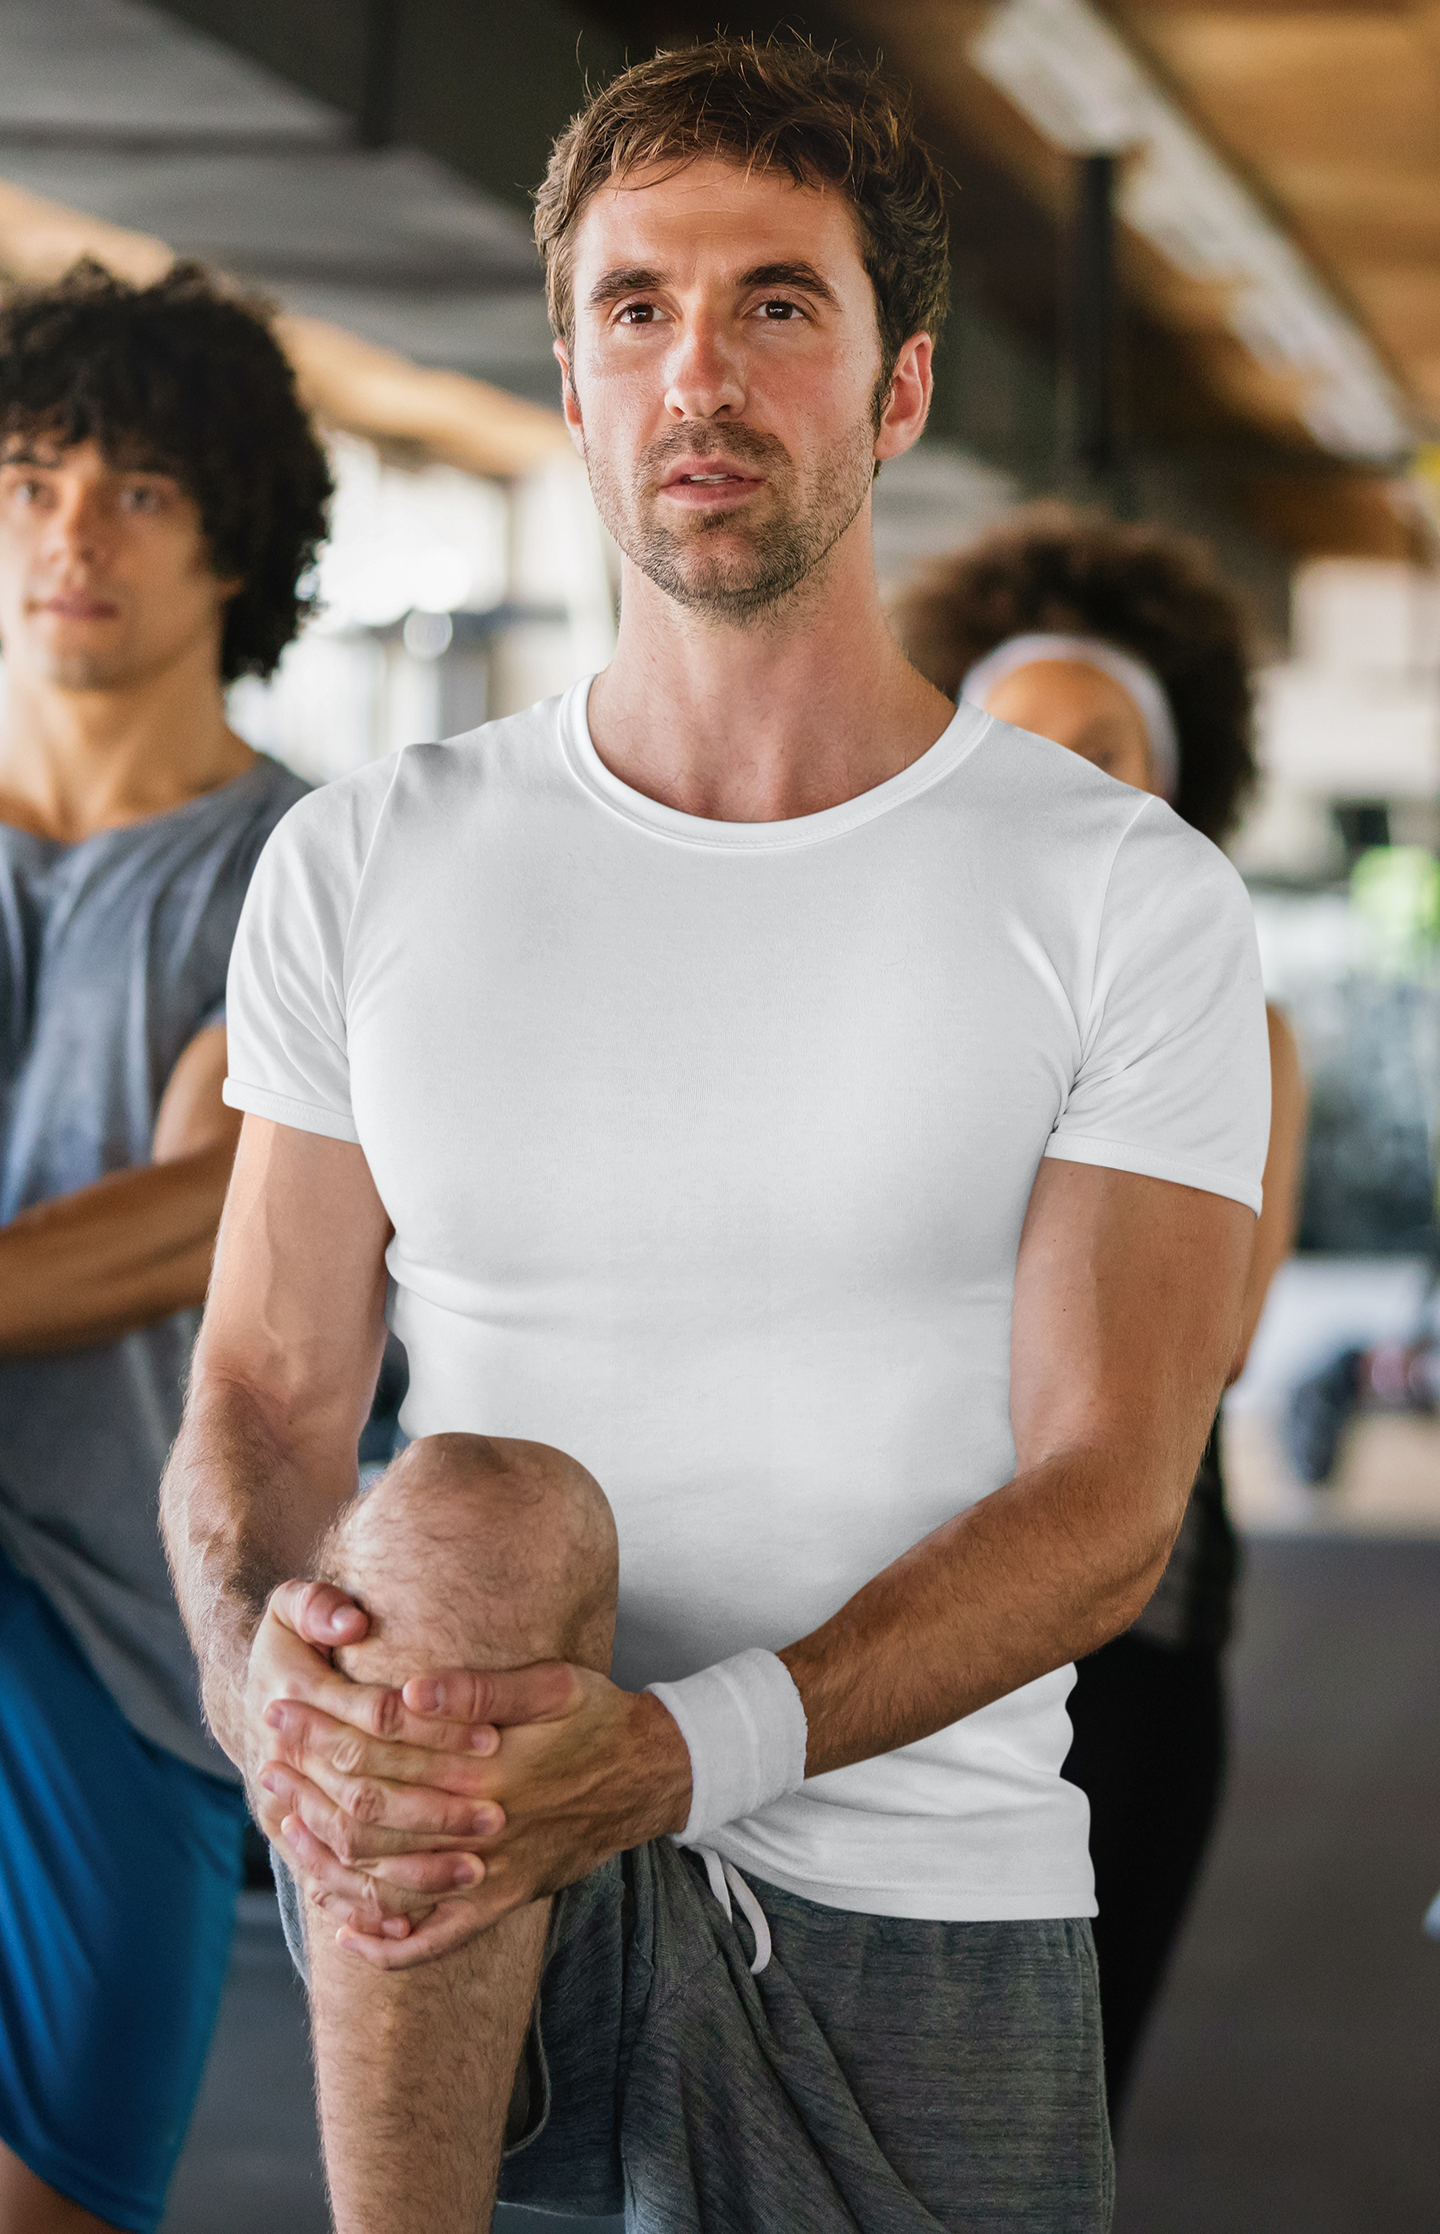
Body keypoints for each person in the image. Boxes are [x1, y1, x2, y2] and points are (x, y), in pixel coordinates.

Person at [162, 40, 1270, 2234]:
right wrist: (251, 1682)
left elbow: (1110, 1500)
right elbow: (271, 1399)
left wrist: (680, 1755)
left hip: (926, 1892)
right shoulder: (373, 860)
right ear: (571, 386)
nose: (702, 372)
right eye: (638, 309)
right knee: (463, 1507)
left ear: (899, 389)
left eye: (779, 303)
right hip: (486, 1892)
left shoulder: (1119, 889)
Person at [891, 504, 1308, 2129]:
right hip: (879, 1615)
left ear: (1173, 783)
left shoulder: (1241, 1029)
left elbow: (1210, 1347)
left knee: (1050, 2120)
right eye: (1025, 740)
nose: (1067, 780)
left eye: (1106, 746)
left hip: (1129, 1644)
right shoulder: (884, 996)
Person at [0, 261, 327, 2233]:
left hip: (128, 1618)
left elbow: (209, 1209)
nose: (70, 531)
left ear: (236, 541)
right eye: (33, 479)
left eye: (135, 489)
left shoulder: (300, 867)